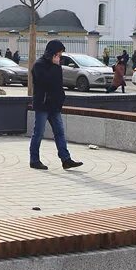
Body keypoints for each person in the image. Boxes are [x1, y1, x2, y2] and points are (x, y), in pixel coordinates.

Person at [29, 39, 83, 171]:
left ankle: (66, 159)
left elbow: (58, 86)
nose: (59, 58)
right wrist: (54, 66)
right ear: (51, 54)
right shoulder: (39, 65)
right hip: (42, 104)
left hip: (54, 106)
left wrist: (61, 100)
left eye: (60, 55)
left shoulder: (57, 66)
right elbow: (44, 82)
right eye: (58, 55)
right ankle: (34, 160)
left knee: (60, 132)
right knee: (39, 133)